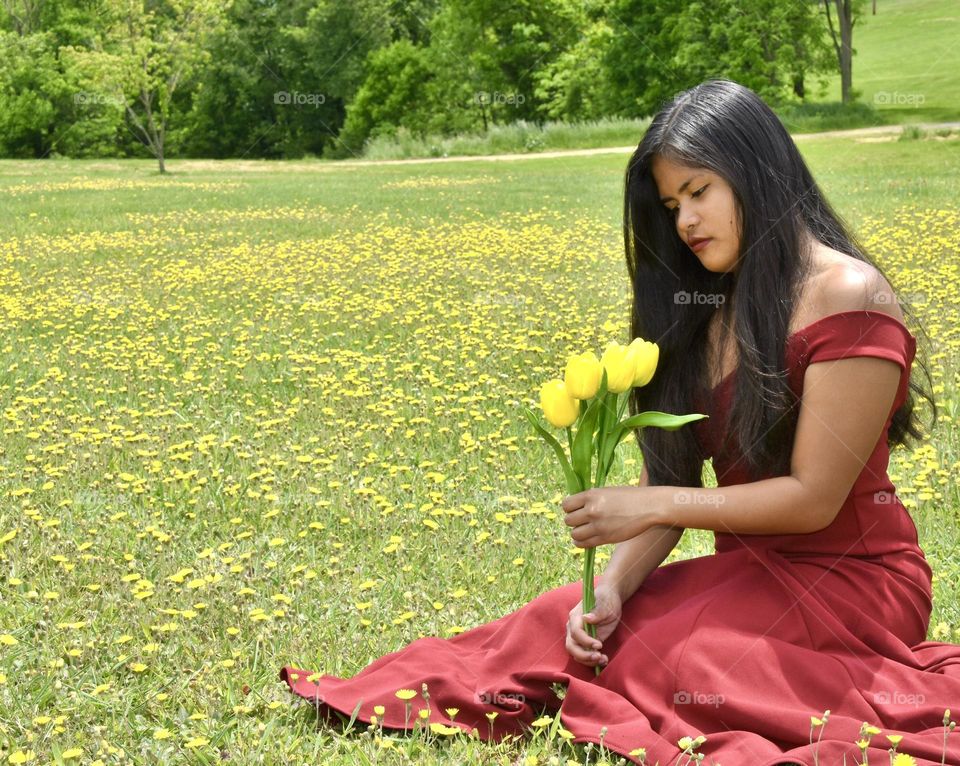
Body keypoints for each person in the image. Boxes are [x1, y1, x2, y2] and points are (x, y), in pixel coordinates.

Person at [280, 79, 960, 765]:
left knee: (671, 660)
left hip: (853, 583)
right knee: (563, 623)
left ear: (757, 171)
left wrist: (648, 504)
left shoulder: (848, 294)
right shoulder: (703, 312)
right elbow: (669, 486)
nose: (686, 221)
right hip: (748, 577)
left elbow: (814, 500)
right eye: (671, 206)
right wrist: (610, 586)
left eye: (699, 191)